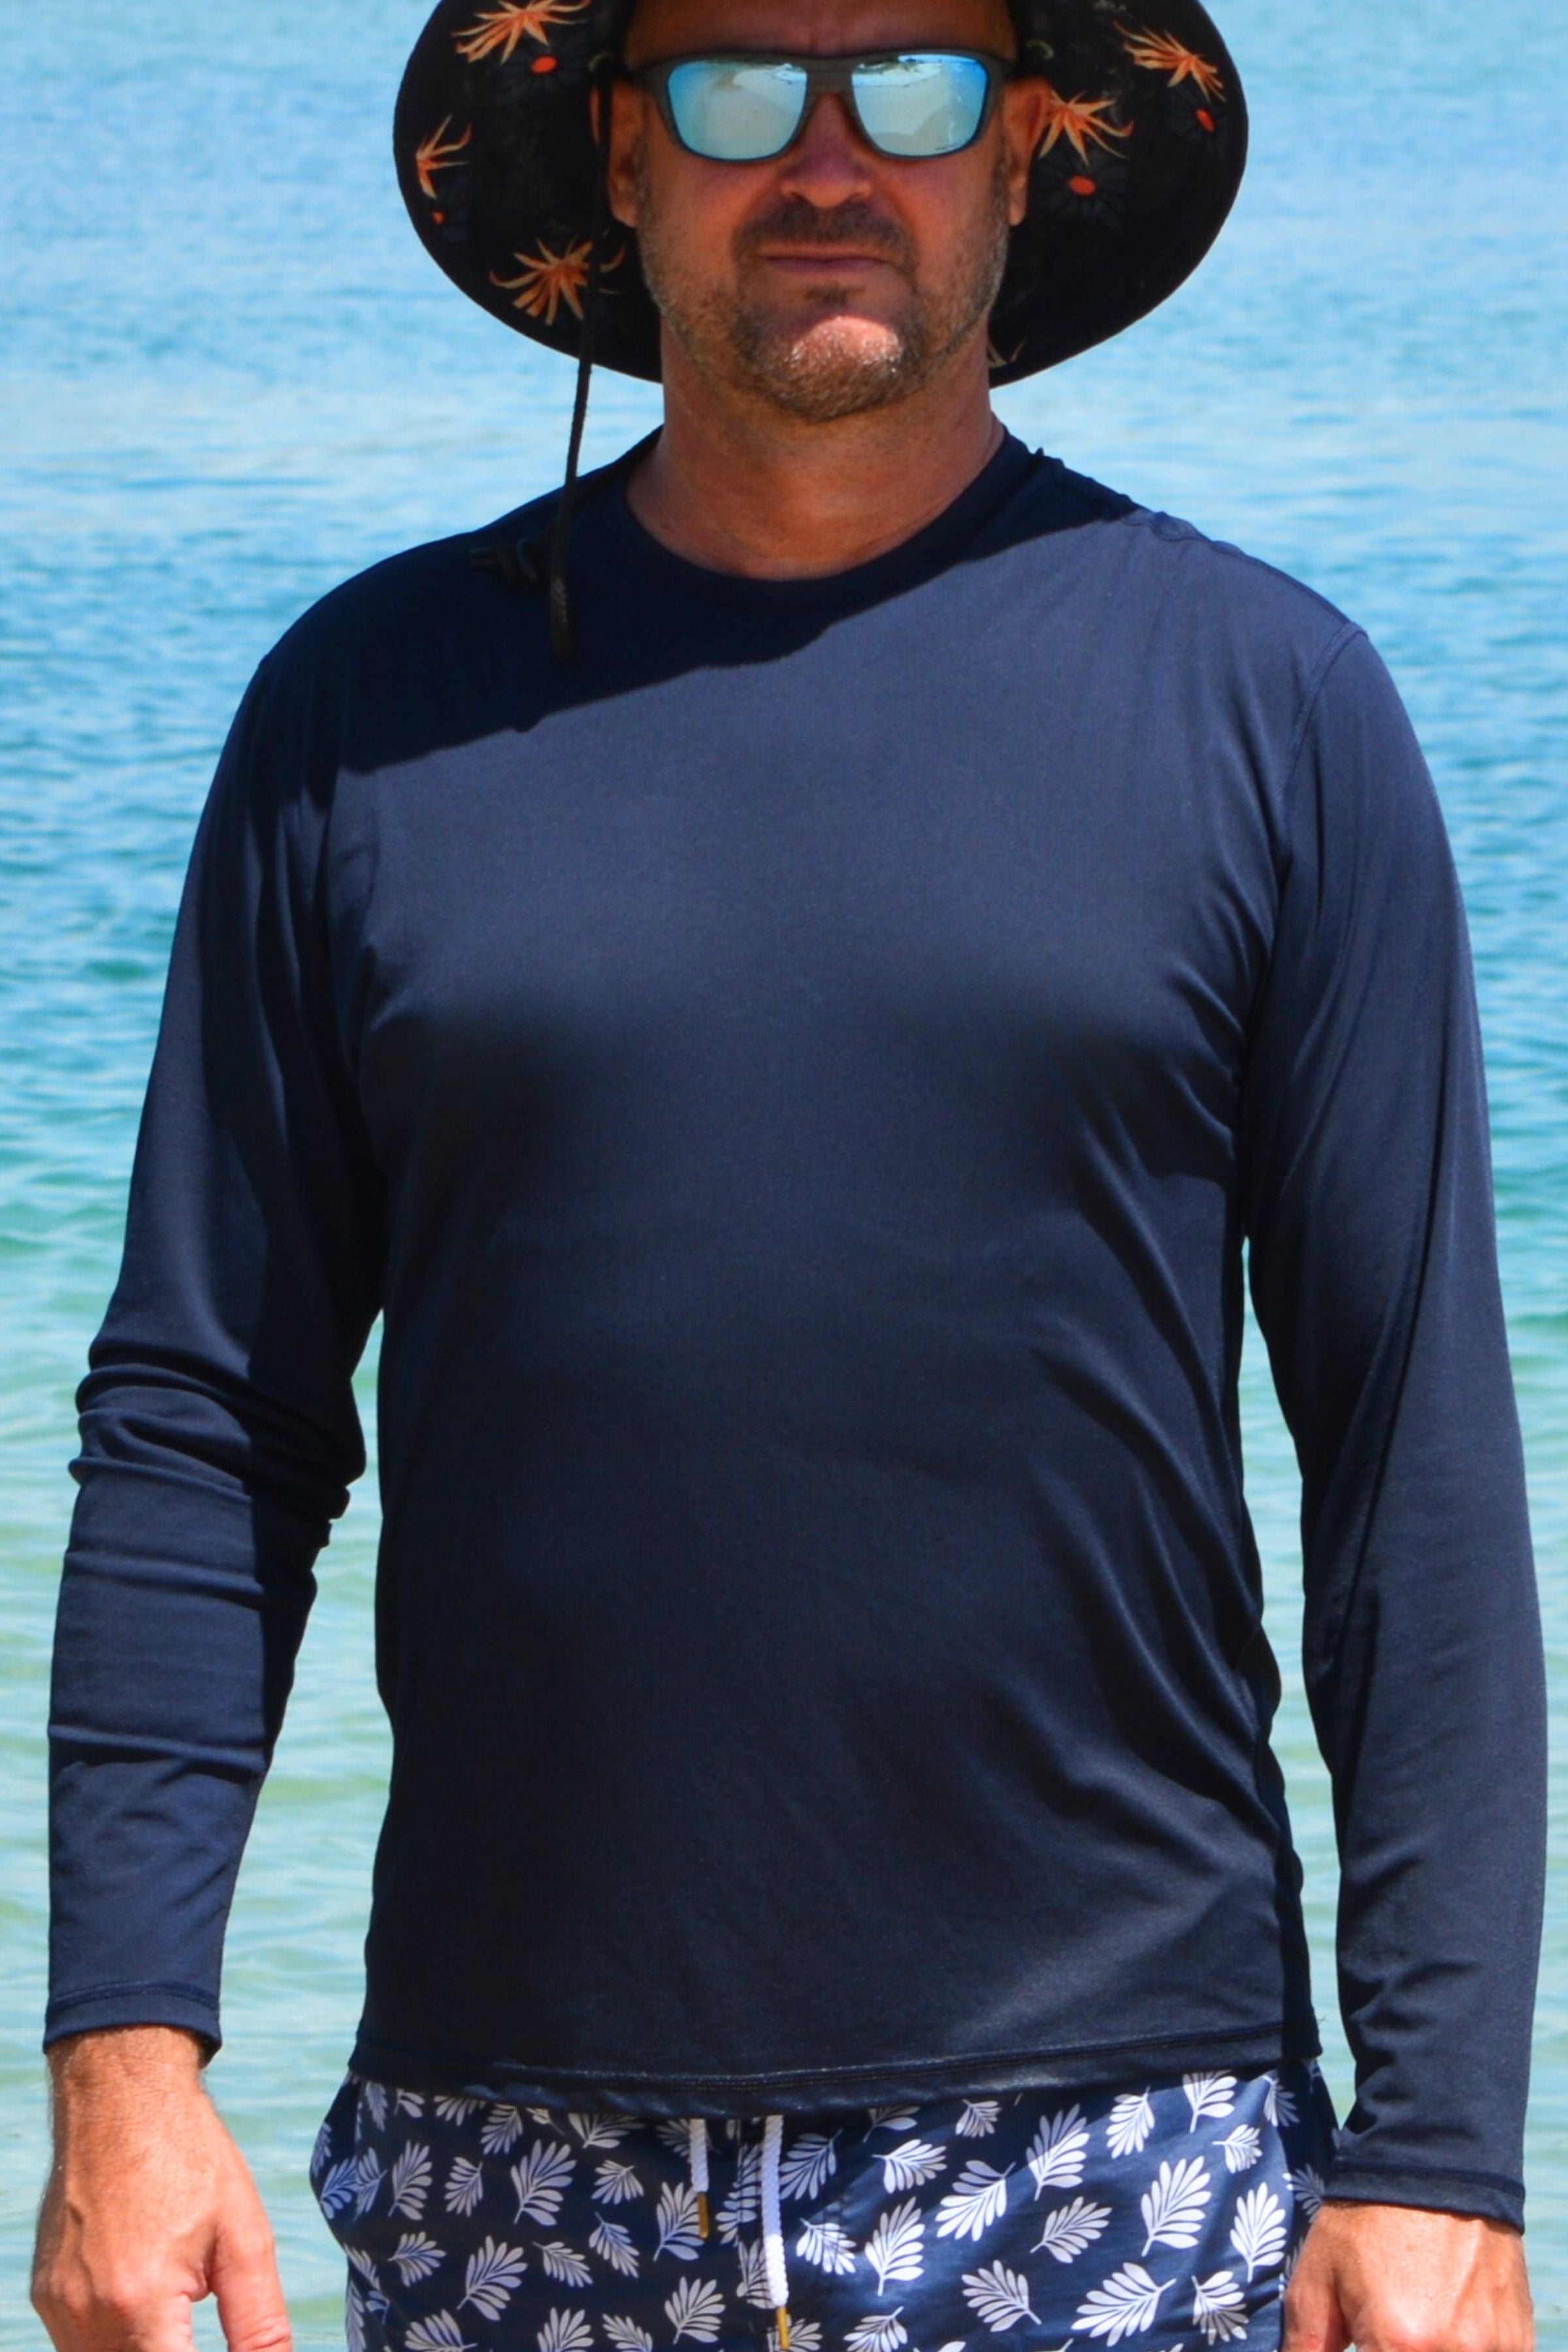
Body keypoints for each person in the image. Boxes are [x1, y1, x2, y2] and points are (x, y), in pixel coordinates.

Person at [31, 0, 1546, 2347]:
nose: (828, 159)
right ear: (622, 160)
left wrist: (1447, 2146)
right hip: (502, 2144)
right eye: (742, 85)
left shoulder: (1271, 705)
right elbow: (200, 1428)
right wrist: (131, 2069)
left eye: (915, 85)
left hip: (1121, 2142)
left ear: (1032, 150)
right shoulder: (369, 709)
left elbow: (1412, 1473)